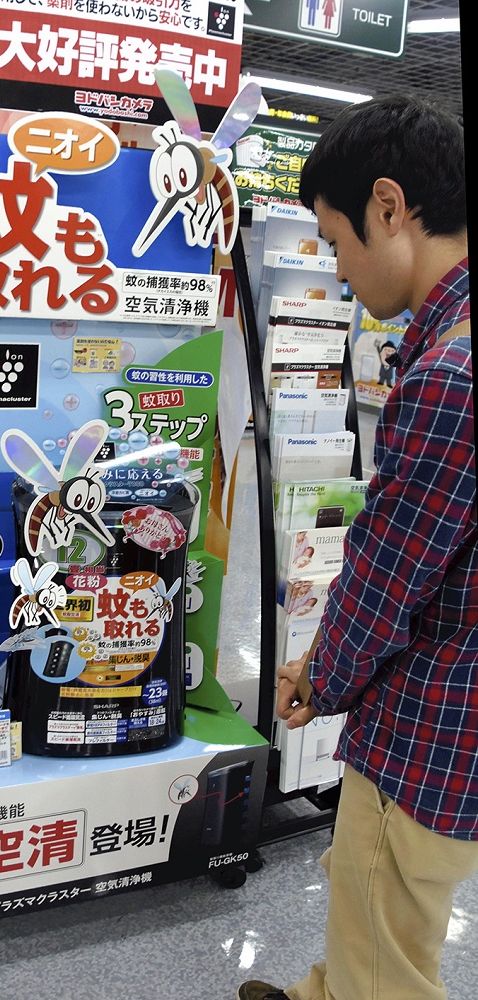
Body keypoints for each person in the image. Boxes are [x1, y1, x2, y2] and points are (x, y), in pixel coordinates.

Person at [238, 94, 476, 1000]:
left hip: (430, 723)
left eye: (335, 241)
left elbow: (388, 570)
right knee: (372, 908)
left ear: (388, 206)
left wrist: (321, 678)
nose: (336, 270)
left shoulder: (450, 374)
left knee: (383, 931)